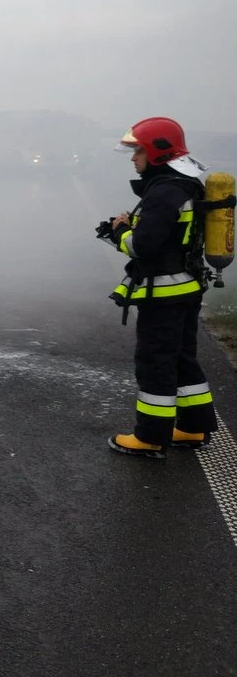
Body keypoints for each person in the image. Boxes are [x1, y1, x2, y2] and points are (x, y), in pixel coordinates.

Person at [103, 117, 217, 458]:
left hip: (163, 294)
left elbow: (143, 246)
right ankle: (193, 427)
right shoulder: (184, 185)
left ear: (157, 152)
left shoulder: (163, 193)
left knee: (155, 362)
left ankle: (150, 437)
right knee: (182, 359)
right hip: (186, 288)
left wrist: (119, 232)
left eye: (138, 150)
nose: (133, 157)